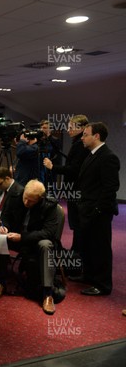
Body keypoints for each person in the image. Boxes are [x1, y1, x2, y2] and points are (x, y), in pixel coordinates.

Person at [0, 180, 60, 315]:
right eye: (25, 198)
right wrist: (5, 227)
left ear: (40, 198)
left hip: (35, 240)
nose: (26, 202)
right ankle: (1, 283)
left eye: (31, 201)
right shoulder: (15, 196)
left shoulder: (49, 205)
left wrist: (22, 237)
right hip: (15, 235)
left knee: (46, 245)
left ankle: (47, 294)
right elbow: (6, 216)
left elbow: (48, 233)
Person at [76, 122, 120, 296]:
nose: (82, 137)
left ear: (96, 136)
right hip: (87, 209)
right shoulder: (92, 154)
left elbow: (110, 188)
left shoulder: (108, 157)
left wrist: (98, 210)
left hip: (98, 212)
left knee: (100, 248)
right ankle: (89, 276)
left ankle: (102, 285)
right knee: (87, 245)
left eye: (85, 134)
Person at [43, 115, 89, 261]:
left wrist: (53, 167)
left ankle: (77, 255)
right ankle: (76, 251)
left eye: (71, 127)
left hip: (76, 189)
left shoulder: (80, 144)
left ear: (81, 128)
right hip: (75, 189)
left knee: (77, 223)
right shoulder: (77, 142)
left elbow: (73, 169)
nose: (68, 130)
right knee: (76, 224)